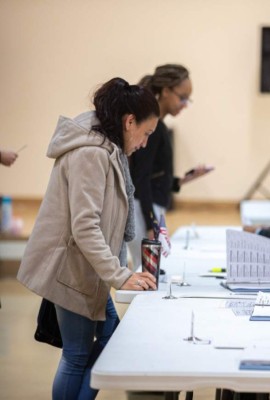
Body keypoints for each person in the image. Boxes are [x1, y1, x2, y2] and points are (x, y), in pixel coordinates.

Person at [17, 77, 159, 400]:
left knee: (109, 337)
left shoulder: (109, 150)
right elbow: (85, 228)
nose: (145, 143)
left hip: (87, 271)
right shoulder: (91, 154)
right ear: (129, 121)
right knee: (78, 354)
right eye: (146, 134)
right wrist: (121, 276)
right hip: (73, 271)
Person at [128, 64, 213, 269]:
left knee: (151, 274)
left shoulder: (158, 126)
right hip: (143, 209)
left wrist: (183, 180)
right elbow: (140, 179)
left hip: (147, 207)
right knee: (149, 275)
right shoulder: (153, 128)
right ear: (165, 91)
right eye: (182, 97)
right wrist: (151, 225)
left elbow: (153, 177)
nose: (184, 104)